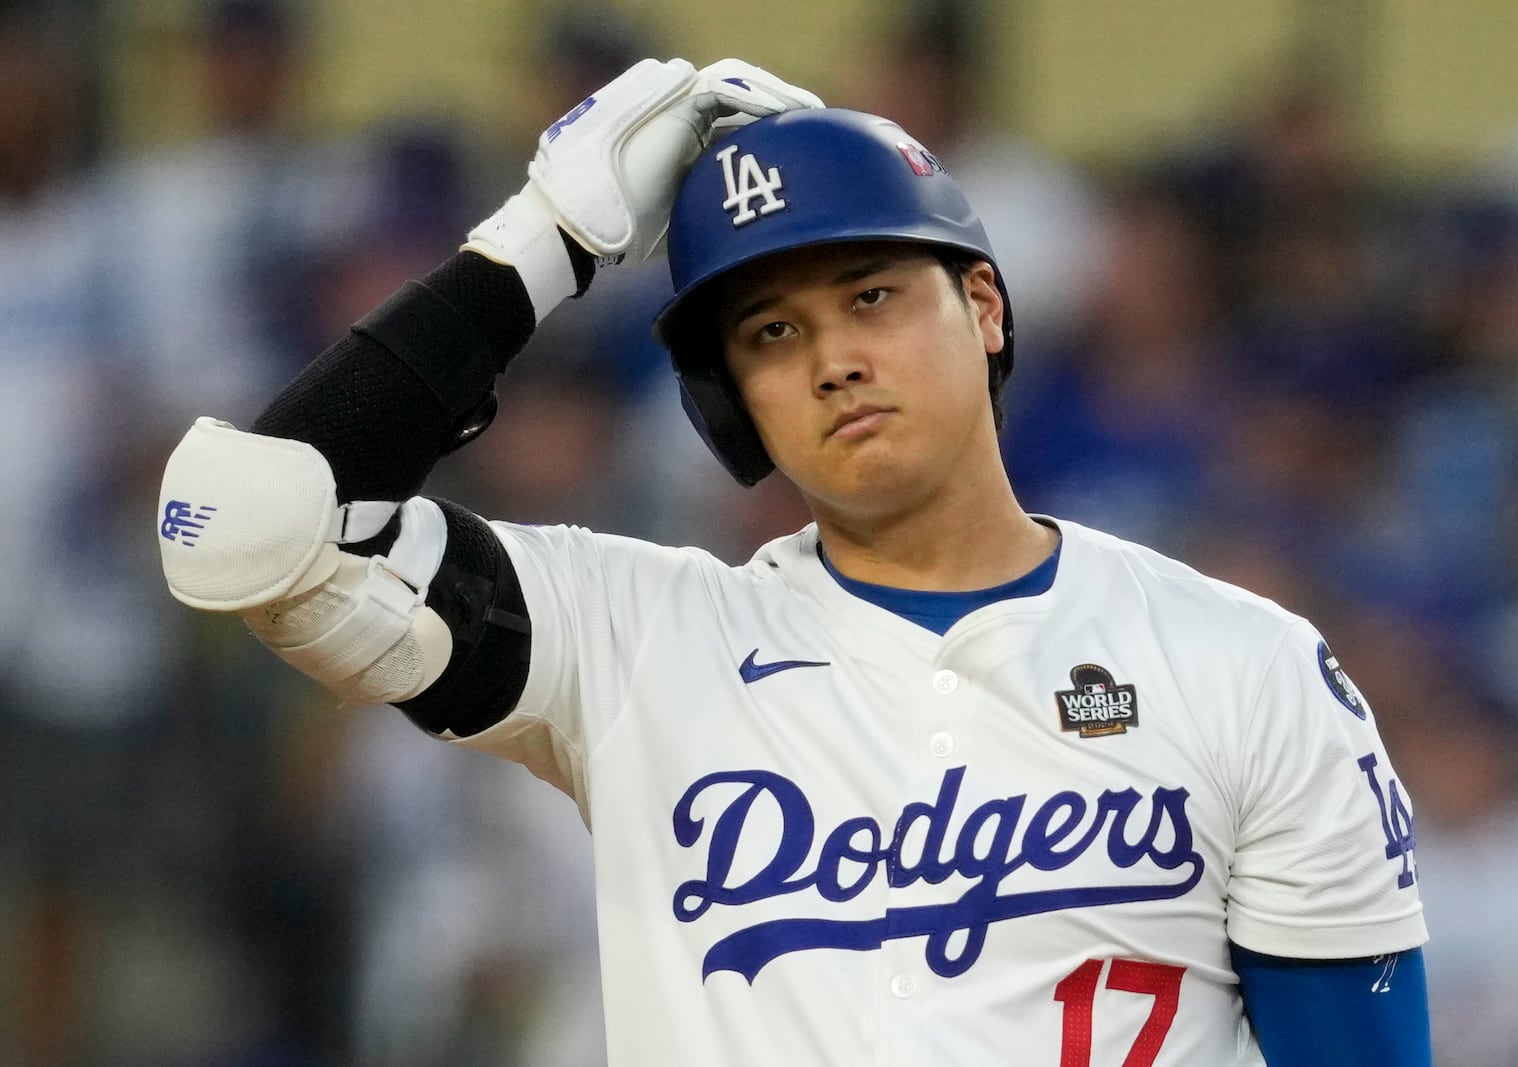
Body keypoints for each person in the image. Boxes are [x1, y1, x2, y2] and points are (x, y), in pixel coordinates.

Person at [157, 57, 1432, 1065]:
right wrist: (544, 240)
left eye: (872, 295)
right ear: (732, 404)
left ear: (983, 306)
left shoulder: (1243, 663)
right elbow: (242, 524)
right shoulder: (633, 639)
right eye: (771, 331)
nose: (831, 357)